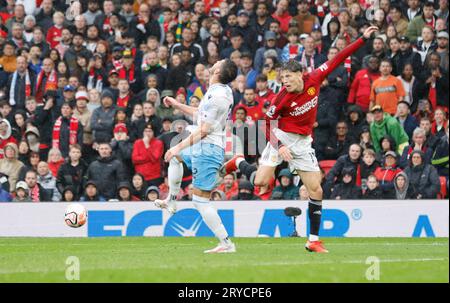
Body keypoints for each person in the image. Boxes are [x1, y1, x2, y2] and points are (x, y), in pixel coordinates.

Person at [221, 26, 379, 253]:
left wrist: (362, 38)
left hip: (303, 142)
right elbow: (266, 123)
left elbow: (338, 58)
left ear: (299, 74)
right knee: (260, 183)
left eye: (287, 77)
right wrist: (280, 146)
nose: (284, 81)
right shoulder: (281, 97)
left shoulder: (314, 78)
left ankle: (313, 240)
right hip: (280, 136)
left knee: (316, 190)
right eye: (281, 77)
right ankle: (238, 162)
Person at [155, 59, 238, 254]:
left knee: (200, 201)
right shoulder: (219, 91)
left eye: (219, 62)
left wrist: (178, 147)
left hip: (208, 150)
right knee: (176, 158)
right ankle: (172, 200)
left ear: (217, 70)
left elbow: (203, 131)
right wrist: (177, 104)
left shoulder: (217, 96)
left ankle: (226, 243)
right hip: (204, 146)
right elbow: (200, 113)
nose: (215, 61)